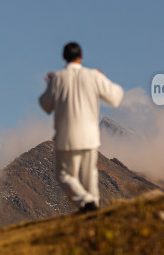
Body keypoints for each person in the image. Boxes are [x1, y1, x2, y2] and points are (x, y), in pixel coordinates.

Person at [39, 41, 124, 213]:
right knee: (89, 174)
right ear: (81, 57)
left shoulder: (58, 78)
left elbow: (46, 105)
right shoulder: (93, 76)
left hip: (66, 135)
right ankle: (93, 206)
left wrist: (50, 85)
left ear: (64, 58)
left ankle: (86, 202)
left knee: (64, 175)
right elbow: (116, 97)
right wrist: (103, 79)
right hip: (89, 134)